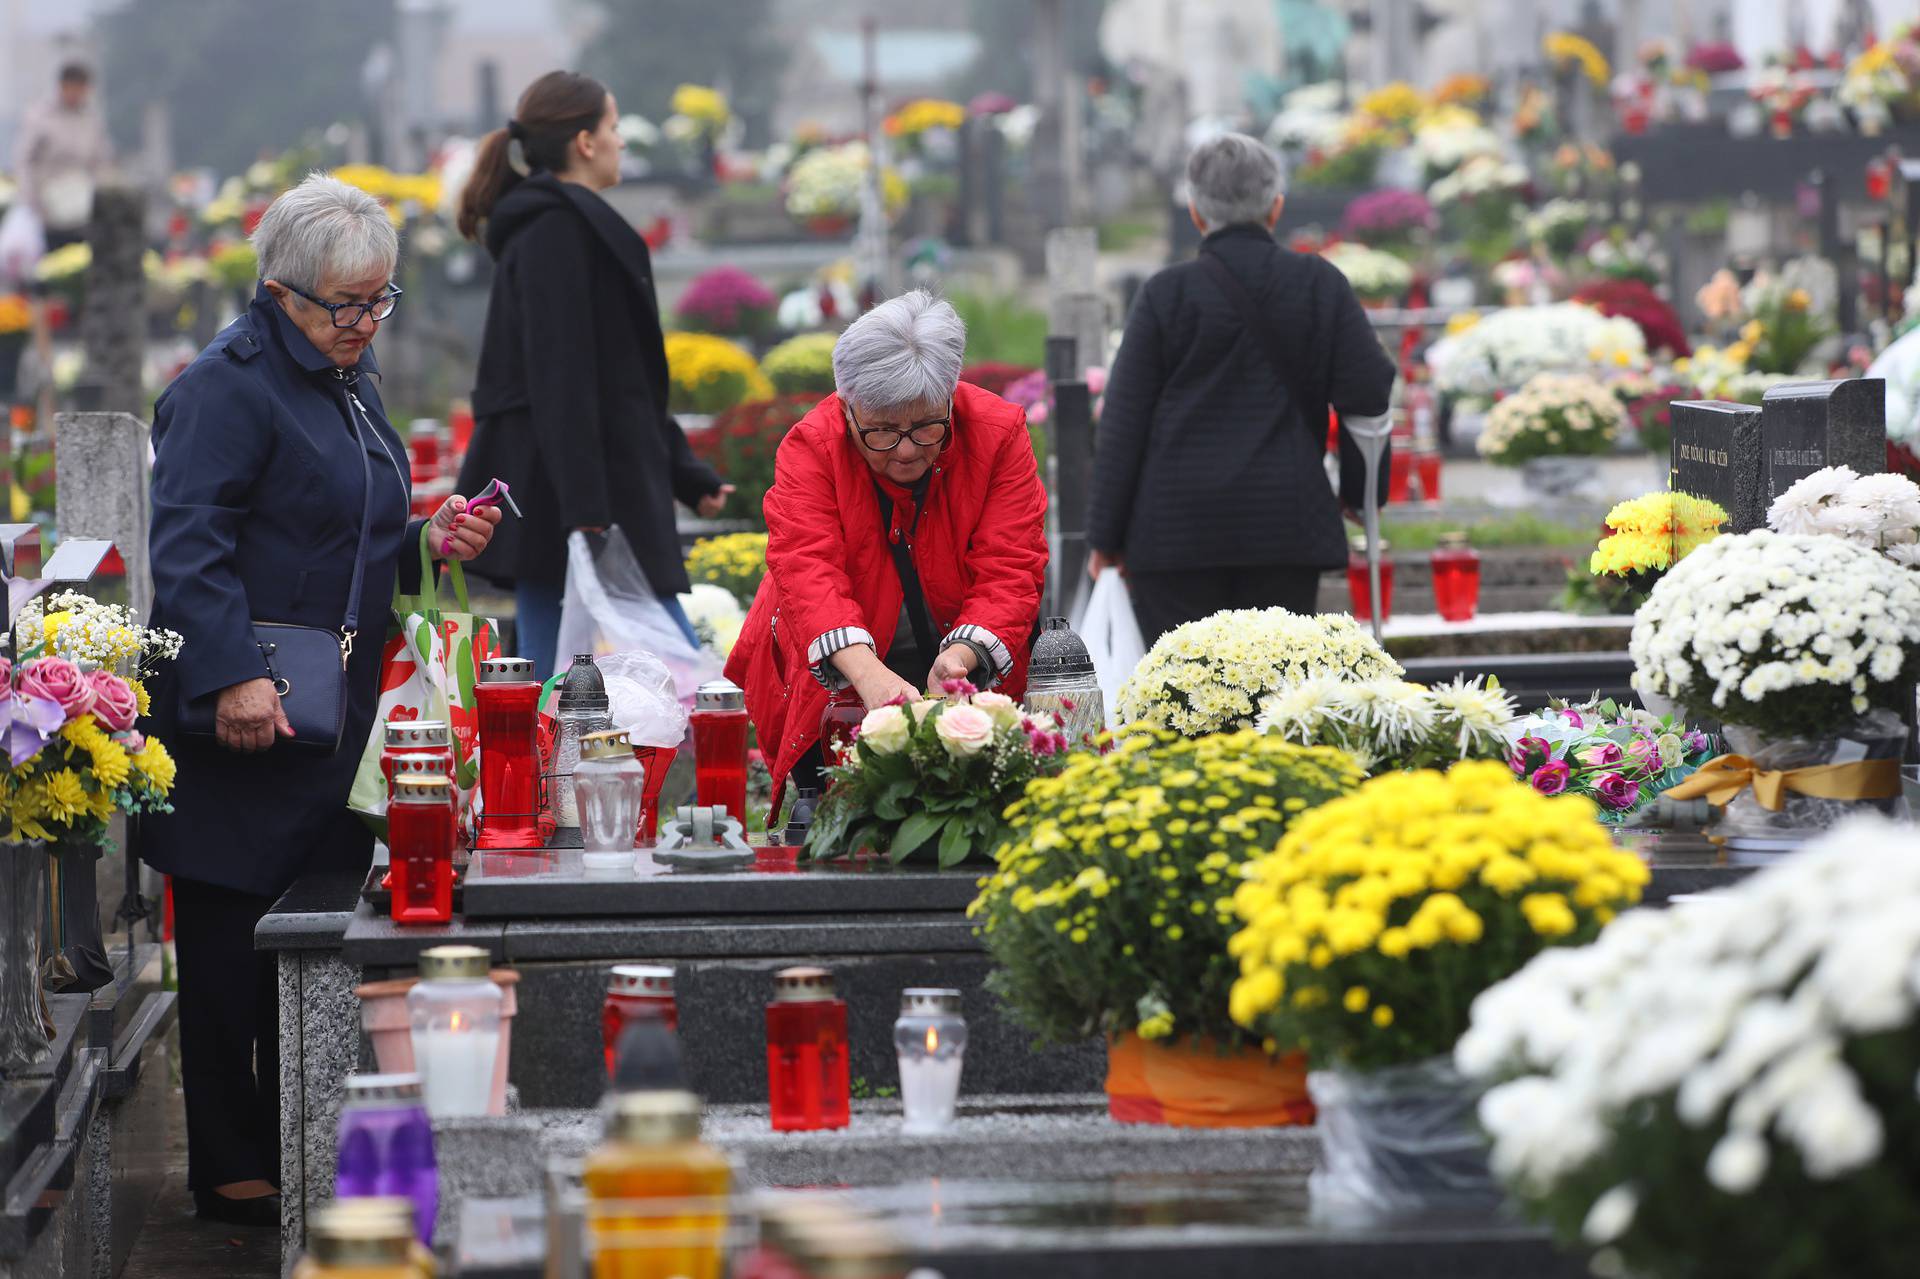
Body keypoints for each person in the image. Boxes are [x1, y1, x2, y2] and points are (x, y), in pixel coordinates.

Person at [144, 175, 501, 1228]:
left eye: (378, 302)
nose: (363, 324)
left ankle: (307, 1139)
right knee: (223, 939)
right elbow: (190, 547)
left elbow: (346, 536)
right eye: (345, 305)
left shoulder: (348, 378)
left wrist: (428, 542)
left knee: (307, 934)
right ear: (280, 288)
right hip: (244, 707)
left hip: (329, 707)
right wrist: (230, 675)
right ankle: (230, 1162)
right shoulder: (229, 384)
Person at [725, 291, 1049, 811]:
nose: (904, 450)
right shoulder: (811, 445)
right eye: (880, 431)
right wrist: (868, 675)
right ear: (847, 407)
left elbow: (1011, 567)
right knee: (836, 817)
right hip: (837, 666)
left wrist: (961, 663)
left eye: (925, 427)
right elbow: (807, 568)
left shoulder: (998, 433)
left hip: (957, 649)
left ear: (950, 397)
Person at [455, 70, 731, 680]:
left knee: (548, 660)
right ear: (585, 142)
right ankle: (720, 758)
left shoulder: (561, 226)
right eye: (613, 127)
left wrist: (685, 473)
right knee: (653, 652)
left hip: (568, 473)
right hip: (578, 480)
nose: (620, 142)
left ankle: (541, 767)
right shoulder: (557, 231)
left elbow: (620, 373)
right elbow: (563, 374)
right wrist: (584, 510)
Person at [1087, 132, 1396, 643]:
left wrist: (1106, 536)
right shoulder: (1319, 284)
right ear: (1276, 208)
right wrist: (1362, 492)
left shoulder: (1166, 294)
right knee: (1274, 693)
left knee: (1184, 703)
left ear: (1195, 212)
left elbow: (1125, 420)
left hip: (1174, 533)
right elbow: (1369, 396)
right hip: (1284, 526)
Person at [12, 62, 112, 251]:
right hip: (47, 209)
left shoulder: (91, 119)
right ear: (62, 86)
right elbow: (24, 160)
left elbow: (101, 161)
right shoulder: (41, 117)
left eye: (81, 88)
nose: (76, 94)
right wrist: (30, 199)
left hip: (84, 208)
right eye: (72, 88)